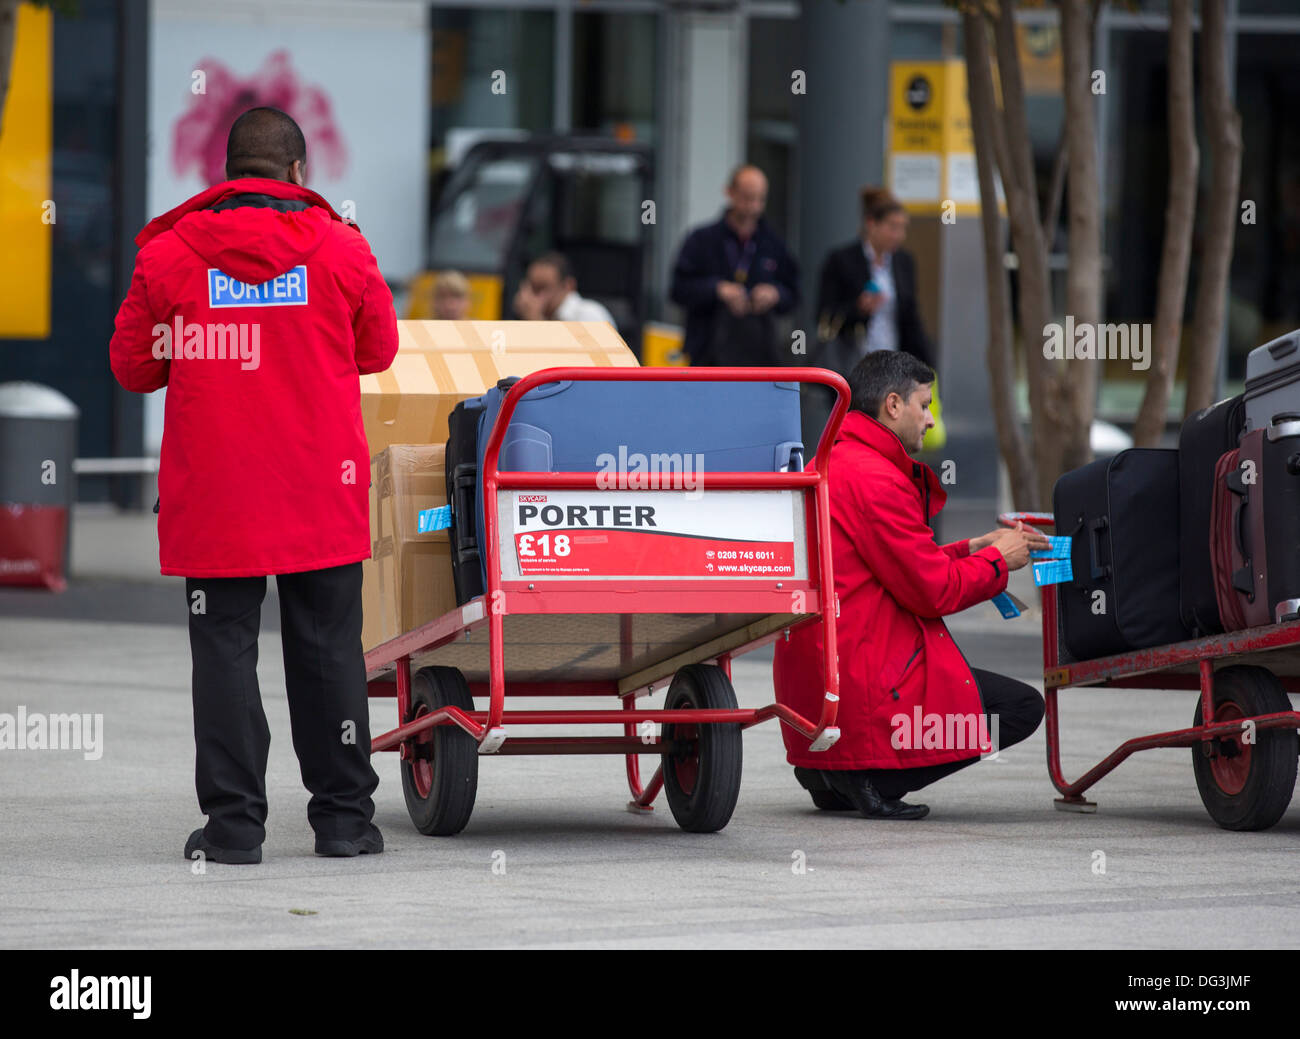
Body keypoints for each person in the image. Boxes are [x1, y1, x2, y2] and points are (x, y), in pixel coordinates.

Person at [109, 107, 398, 863]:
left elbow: (134, 367)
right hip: (319, 486)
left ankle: (234, 828)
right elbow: (379, 350)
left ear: (229, 175)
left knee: (226, 652)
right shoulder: (342, 249)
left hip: (218, 493)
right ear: (300, 174)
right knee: (330, 647)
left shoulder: (172, 255)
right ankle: (343, 822)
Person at [773, 351, 1046, 819]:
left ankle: (832, 773)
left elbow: (891, 566)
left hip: (819, 686)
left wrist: (973, 548)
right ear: (894, 405)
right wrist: (999, 562)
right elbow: (932, 591)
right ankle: (873, 776)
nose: (931, 418)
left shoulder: (837, 460)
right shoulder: (876, 477)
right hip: (864, 683)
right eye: (925, 404)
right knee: (1021, 707)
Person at [804, 186, 936, 450]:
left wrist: (928, 364)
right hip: (854, 365)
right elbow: (824, 315)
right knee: (853, 435)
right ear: (871, 224)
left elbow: (910, 317)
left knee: (894, 436)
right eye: (892, 227)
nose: (899, 235)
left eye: (903, 228)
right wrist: (859, 309)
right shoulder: (842, 260)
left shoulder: (902, 263)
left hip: (895, 366)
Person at [669, 164, 799, 367]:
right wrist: (717, 290)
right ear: (730, 192)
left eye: (759, 199)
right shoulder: (701, 240)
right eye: (747, 197)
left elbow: (795, 294)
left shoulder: (774, 244)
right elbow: (678, 290)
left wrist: (774, 294)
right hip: (708, 356)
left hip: (761, 359)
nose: (753, 206)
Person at [512, 252, 616, 324]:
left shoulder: (589, 314)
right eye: (532, 287)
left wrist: (535, 321)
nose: (531, 296)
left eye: (542, 288)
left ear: (568, 286)